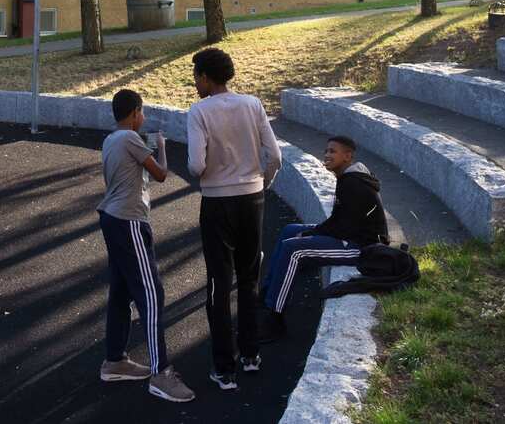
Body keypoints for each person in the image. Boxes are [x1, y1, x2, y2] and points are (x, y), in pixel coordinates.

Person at [187, 48, 282, 390]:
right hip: (252, 198)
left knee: (218, 283)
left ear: (206, 78)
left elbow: (196, 165)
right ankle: (251, 355)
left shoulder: (199, 111)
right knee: (248, 278)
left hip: (217, 202)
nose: (194, 82)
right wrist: (262, 183)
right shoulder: (253, 104)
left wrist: (202, 173)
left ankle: (223, 367)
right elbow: (275, 155)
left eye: (196, 76)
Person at [96, 89, 195, 403]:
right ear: (135, 112)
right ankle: (161, 373)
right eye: (143, 113)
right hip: (130, 223)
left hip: (111, 218)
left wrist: (147, 147)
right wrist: (162, 147)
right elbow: (162, 174)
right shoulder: (130, 139)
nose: (145, 118)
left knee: (122, 290)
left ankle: (115, 361)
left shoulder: (112, 140)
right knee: (152, 294)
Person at [257, 136, 389, 343]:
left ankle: (275, 316)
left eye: (333, 152)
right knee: (290, 230)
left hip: (362, 246)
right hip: (350, 235)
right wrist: (313, 232)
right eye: (326, 151)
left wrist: (312, 234)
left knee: (294, 249)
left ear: (348, 156)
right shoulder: (348, 178)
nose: (327, 155)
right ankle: (267, 292)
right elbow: (339, 220)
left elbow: (345, 227)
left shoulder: (353, 183)